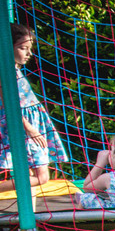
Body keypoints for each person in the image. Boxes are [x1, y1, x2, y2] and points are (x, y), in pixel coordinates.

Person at [0, 24, 69, 190]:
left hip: (31, 123)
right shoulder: (4, 73)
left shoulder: (14, 69)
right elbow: (9, 106)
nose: (29, 53)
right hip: (23, 126)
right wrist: (30, 129)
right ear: (7, 47)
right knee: (41, 177)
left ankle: (29, 204)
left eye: (29, 48)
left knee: (30, 174)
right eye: (23, 48)